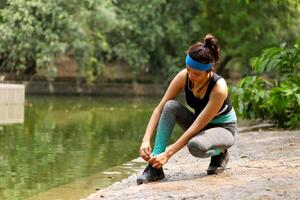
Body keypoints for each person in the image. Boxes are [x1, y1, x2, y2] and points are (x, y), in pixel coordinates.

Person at [137, 34, 238, 185]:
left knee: (195, 146)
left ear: (209, 71)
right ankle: (155, 168)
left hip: (223, 130)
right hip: (200, 125)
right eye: (188, 69)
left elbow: (196, 127)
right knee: (170, 106)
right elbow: (159, 108)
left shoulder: (219, 88)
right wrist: (145, 140)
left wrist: (168, 154)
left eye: (196, 73)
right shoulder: (184, 76)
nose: (190, 76)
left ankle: (221, 153)